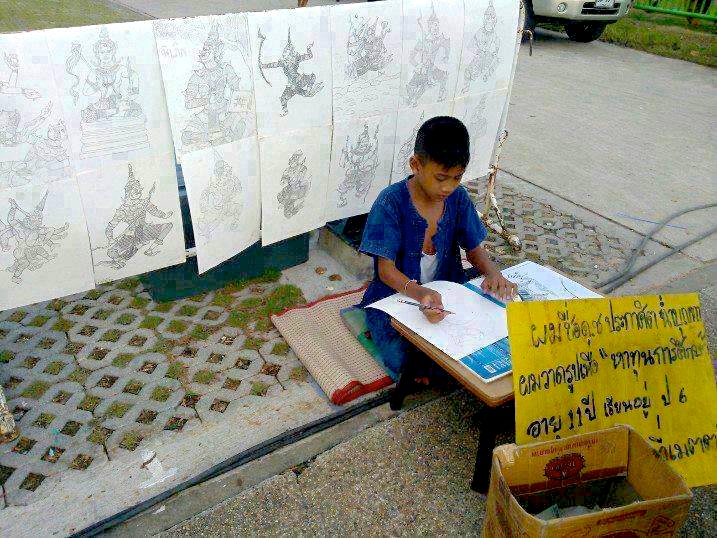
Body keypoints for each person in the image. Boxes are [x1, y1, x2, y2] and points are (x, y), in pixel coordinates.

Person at [359, 116, 516, 383]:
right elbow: (386, 271)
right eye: (441, 178)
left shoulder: (458, 198)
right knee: (408, 359)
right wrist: (420, 293)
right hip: (396, 297)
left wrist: (493, 273)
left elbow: (473, 248)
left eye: (457, 178)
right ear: (416, 165)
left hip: (448, 290)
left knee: (492, 331)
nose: (448, 187)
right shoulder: (390, 202)